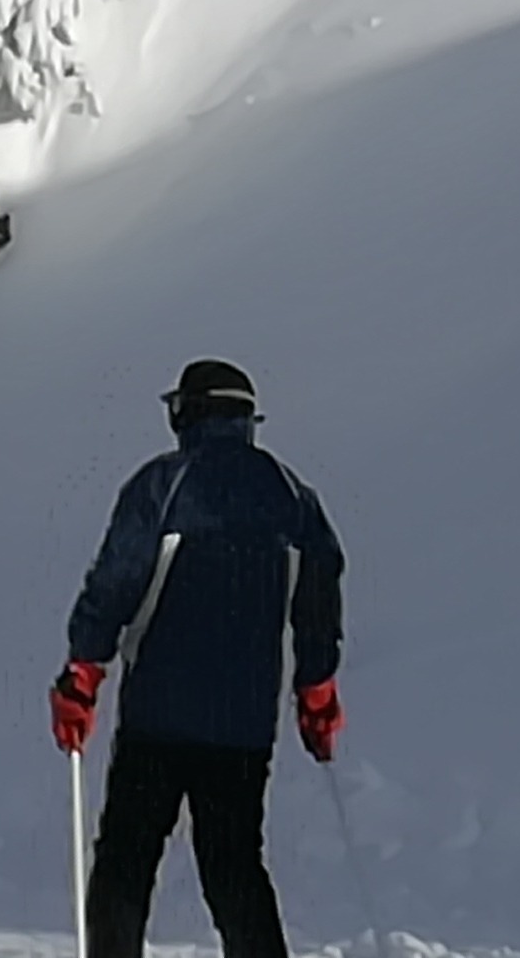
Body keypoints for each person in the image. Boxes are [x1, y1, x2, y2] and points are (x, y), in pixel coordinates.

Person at [51, 359, 346, 958]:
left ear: (187, 412)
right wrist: (316, 688)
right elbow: (319, 595)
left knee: (126, 861)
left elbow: (115, 583)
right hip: (242, 728)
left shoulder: (162, 485)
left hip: (157, 720)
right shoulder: (293, 496)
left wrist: (84, 670)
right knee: (235, 866)